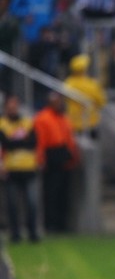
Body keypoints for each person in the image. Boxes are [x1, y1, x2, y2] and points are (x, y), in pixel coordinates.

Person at [34, 91, 80, 233]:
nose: (60, 104)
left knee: (63, 192)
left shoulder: (64, 118)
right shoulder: (42, 118)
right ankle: (50, 224)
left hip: (63, 154)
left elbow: (69, 139)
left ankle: (62, 223)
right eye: (57, 102)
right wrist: (41, 158)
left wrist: (73, 156)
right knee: (51, 193)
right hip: (51, 155)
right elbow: (40, 141)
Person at [0, 95, 40, 242]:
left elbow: (33, 142)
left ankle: (32, 233)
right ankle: (15, 233)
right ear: (6, 108)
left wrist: (14, 142)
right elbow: (6, 144)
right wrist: (20, 141)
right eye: (10, 107)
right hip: (11, 169)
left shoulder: (27, 122)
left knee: (32, 203)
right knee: (12, 204)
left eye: (15, 106)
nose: (13, 109)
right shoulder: (2, 124)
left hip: (29, 168)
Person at [64, 54, 107, 138]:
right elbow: (102, 102)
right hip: (90, 122)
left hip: (73, 123)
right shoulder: (92, 84)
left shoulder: (68, 83)